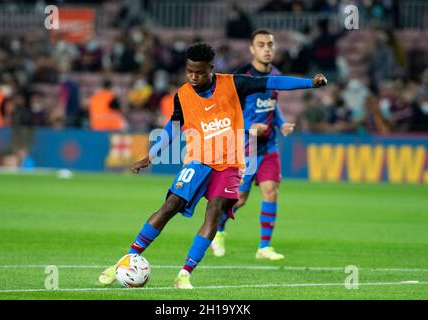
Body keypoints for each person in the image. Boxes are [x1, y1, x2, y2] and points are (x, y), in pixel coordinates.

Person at [98, 43, 327, 289]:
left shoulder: (235, 83)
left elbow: (272, 83)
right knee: (169, 207)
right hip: (198, 161)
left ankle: (184, 274)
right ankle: (123, 261)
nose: (194, 77)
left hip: (229, 164)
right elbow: (174, 127)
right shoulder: (182, 95)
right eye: (189, 71)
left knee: (214, 215)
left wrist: (308, 83)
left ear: (212, 69)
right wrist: (151, 155)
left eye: (199, 72)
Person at [210, 29, 294, 260]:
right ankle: (217, 229)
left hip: (269, 145)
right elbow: (227, 111)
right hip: (246, 145)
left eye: (270, 44)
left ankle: (264, 247)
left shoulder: (276, 75)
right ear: (251, 49)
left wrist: (282, 123)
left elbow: (271, 105)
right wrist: (249, 127)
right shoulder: (241, 77)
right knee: (240, 198)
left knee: (271, 191)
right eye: (261, 45)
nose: (267, 49)